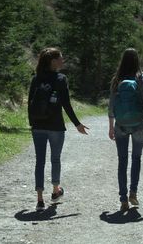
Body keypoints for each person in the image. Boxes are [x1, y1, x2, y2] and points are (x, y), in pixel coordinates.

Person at [28, 47, 89, 211]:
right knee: (55, 159)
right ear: (53, 61)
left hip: (38, 126)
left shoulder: (36, 78)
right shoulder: (61, 79)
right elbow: (66, 104)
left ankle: (39, 199)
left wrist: (32, 124)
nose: (63, 61)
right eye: (61, 58)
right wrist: (77, 124)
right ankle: (56, 191)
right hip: (55, 126)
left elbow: (29, 103)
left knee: (39, 161)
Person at [108, 48, 143, 212]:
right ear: (137, 60)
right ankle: (133, 193)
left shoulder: (117, 79)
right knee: (136, 158)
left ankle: (123, 200)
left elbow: (111, 105)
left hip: (121, 124)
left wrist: (111, 126)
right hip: (139, 125)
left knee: (122, 161)